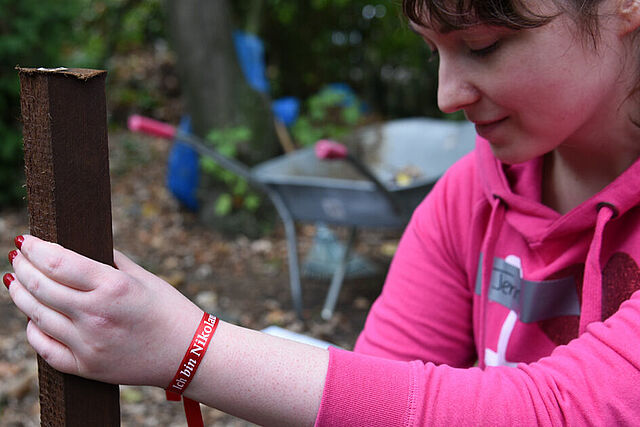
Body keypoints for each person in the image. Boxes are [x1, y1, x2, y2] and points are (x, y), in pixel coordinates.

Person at [4, 0, 640, 424]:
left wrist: (190, 348)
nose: (447, 95)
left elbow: (556, 413)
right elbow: (382, 395)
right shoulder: (466, 198)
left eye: (482, 45)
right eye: (433, 50)